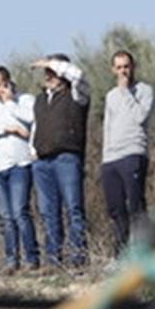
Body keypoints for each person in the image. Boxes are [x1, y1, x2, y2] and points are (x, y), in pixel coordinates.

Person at [0, 66, 39, 274]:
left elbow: (30, 120)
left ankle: (32, 258)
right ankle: (11, 260)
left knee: (20, 212)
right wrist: (5, 129)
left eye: (0, 85)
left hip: (20, 165)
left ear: (9, 82)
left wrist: (10, 101)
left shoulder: (25, 100)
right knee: (6, 216)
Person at [30, 54, 90, 269]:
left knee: (73, 209)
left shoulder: (76, 94)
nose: (48, 75)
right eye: (47, 71)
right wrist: (33, 152)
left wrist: (49, 62)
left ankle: (78, 258)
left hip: (67, 158)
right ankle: (54, 260)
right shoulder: (39, 99)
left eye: (52, 71)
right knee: (48, 212)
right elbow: (36, 128)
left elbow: (79, 75)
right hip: (42, 163)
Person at [100, 50, 154, 256]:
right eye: (119, 67)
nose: (123, 71)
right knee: (116, 209)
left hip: (133, 152)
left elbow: (140, 116)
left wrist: (125, 92)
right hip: (112, 157)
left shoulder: (144, 90)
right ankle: (120, 254)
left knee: (136, 204)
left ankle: (145, 251)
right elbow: (108, 126)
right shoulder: (110, 96)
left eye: (126, 66)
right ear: (113, 69)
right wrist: (105, 158)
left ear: (133, 67)